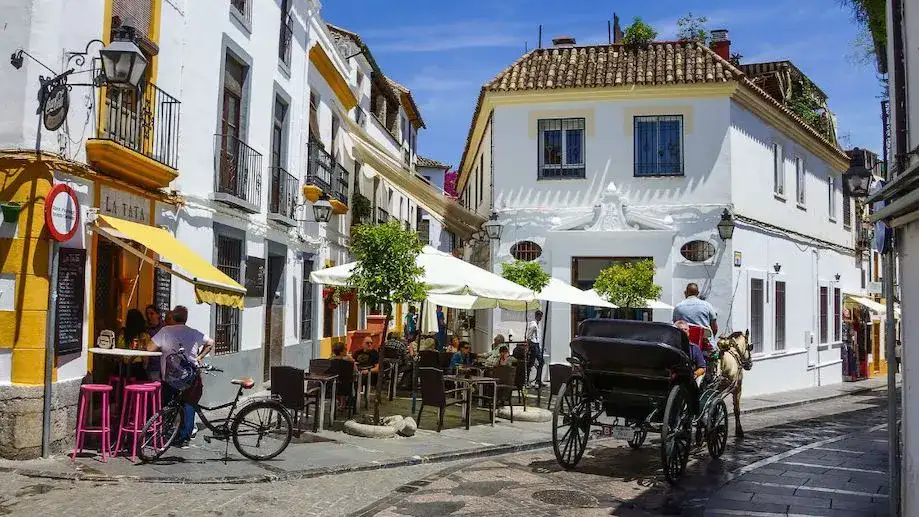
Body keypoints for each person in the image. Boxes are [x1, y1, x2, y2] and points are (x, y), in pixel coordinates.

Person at [150, 305, 214, 447]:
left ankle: (167, 431)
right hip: (190, 375)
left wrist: (164, 347)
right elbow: (210, 342)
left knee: (168, 403)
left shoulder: (165, 331)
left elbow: (149, 348)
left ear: (172, 317)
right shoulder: (193, 332)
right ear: (186, 318)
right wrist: (198, 357)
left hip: (170, 376)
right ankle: (184, 435)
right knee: (189, 404)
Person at [118, 308, 153, 380]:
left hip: (124, 370)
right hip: (138, 369)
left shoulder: (122, 336)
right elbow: (146, 358)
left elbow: (119, 354)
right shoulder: (144, 336)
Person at [144, 305, 164, 380]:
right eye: (147, 314)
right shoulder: (145, 328)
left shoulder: (163, 328)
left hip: (159, 364)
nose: (149, 316)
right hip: (148, 363)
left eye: (151, 313)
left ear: (158, 314)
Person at [526, 310, 545, 388]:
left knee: (540, 362)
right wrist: (530, 347)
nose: (541, 318)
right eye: (540, 316)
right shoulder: (533, 325)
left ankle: (538, 380)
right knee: (531, 363)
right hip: (533, 345)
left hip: (536, 345)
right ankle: (529, 381)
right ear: (537, 316)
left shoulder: (536, 324)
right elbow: (529, 337)